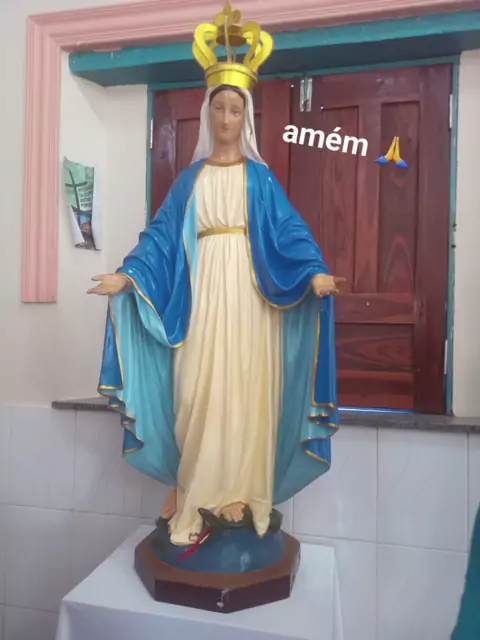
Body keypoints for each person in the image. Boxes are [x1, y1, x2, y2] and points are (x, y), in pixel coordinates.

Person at [88, 3, 344, 547]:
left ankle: (243, 492)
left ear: (245, 118)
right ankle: (196, 489)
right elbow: (160, 239)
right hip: (201, 297)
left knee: (247, 390)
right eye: (219, 109)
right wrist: (127, 278)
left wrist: (314, 273)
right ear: (208, 115)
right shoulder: (190, 181)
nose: (226, 118)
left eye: (235, 109)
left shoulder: (260, 179)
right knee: (196, 390)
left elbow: (291, 233)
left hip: (253, 299)